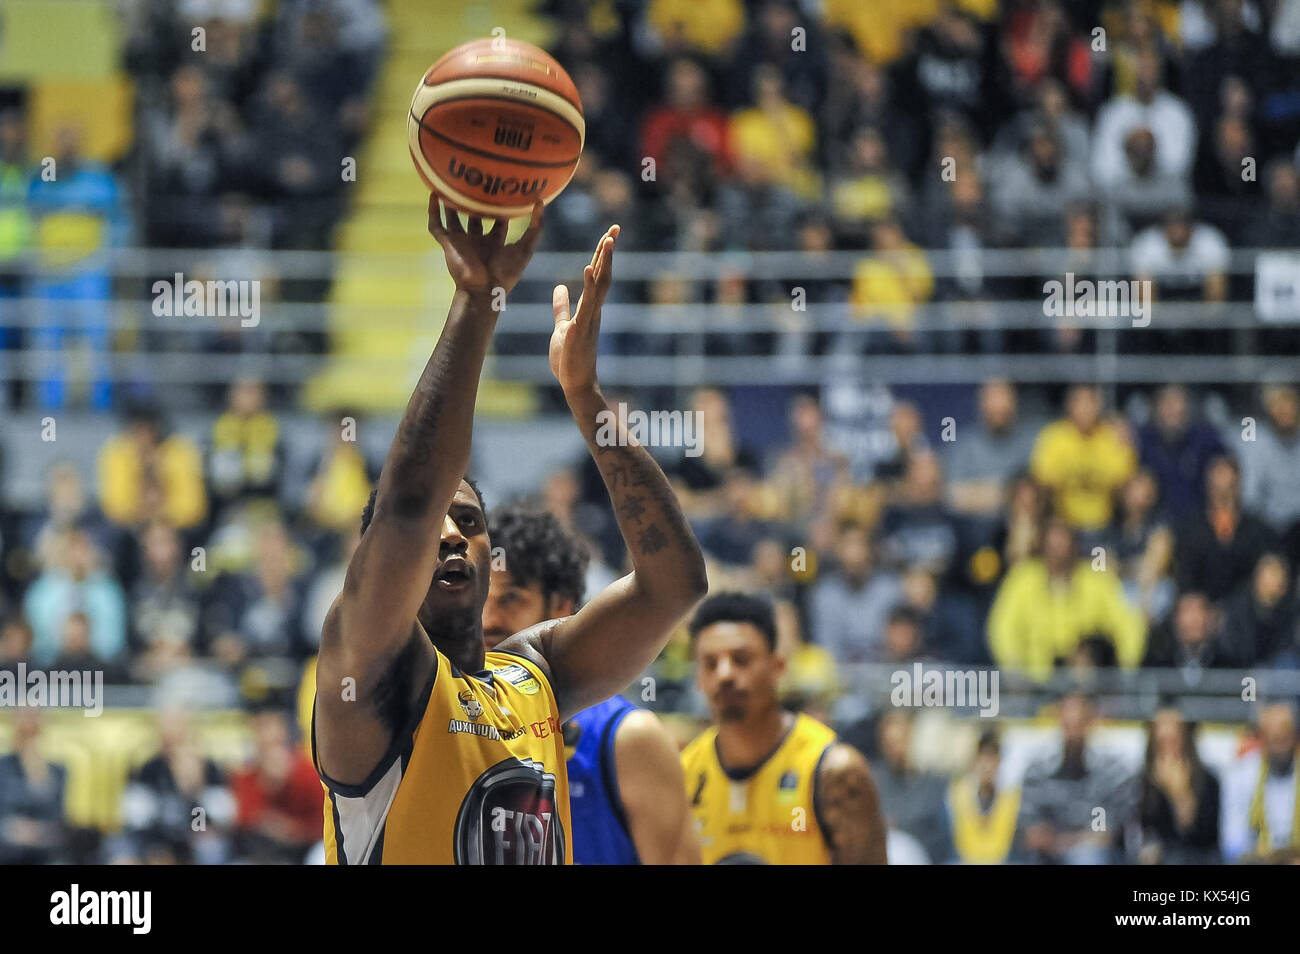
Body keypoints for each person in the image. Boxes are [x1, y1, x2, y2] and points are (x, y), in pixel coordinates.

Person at [312, 201, 708, 864]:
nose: (447, 535)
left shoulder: (536, 674)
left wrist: (585, 397)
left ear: (491, 555)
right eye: (435, 523)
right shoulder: (371, 673)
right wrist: (477, 299)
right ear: (377, 561)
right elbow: (409, 502)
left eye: (468, 522)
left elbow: (675, 586)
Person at [482, 504, 699, 865]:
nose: (488, 620)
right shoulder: (459, 723)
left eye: (511, 599)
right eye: (481, 601)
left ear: (561, 608)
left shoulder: (628, 739)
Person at [681, 592, 887, 864]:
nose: (725, 674)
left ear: (777, 667)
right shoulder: (683, 773)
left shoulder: (835, 773)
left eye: (741, 659)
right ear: (698, 679)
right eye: (710, 664)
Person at [1136, 706, 1221, 864]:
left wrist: (1177, 794)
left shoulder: (1208, 781)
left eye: (1173, 740)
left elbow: (1202, 836)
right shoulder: (1143, 782)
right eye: (1162, 742)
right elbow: (1143, 830)